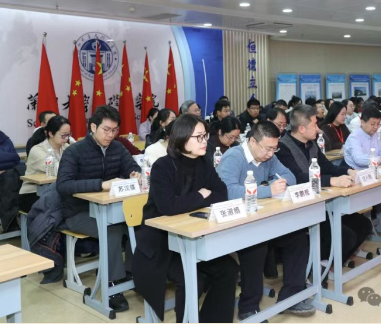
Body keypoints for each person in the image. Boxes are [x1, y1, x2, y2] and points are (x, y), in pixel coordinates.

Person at [133, 115, 237, 323]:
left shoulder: (204, 163)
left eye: (205, 136)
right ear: (181, 137)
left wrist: (191, 200)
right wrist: (200, 196)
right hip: (161, 245)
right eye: (198, 137)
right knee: (191, 278)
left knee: (229, 269)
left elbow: (221, 193)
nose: (204, 141)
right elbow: (168, 207)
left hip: (192, 237)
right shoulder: (163, 166)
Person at [216, 122, 314, 319]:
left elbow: (290, 177)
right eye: (268, 148)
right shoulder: (234, 157)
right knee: (256, 247)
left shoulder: (269, 156)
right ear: (253, 141)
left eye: (274, 148)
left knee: (298, 238)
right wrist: (267, 189)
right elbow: (227, 191)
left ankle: (291, 297)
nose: (271, 154)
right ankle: (248, 306)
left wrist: (267, 185)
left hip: (262, 218)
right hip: (235, 223)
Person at [56, 105, 140, 312]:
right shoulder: (74, 151)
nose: (110, 135)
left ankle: (132, 273)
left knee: (138, 225)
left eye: (115, 130)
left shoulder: (117, 148)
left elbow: (132, 167)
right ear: (93, 127)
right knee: (111, 230)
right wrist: (101, 185)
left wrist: (134, 174)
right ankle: (113, 285)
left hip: (112, 210)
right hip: (78, 212)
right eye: (106, 130)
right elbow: (63, 185)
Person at [277, 105, 370, 264]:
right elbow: (298, 178)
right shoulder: (283, 147)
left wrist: (348, 171)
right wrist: (332, 181)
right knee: (346, 237)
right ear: (301, 129)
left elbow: (327, 167)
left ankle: (330, 263)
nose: (318, 129)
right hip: (299, 206)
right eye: (314, 124)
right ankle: (316, 263)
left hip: (320, 201)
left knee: (364, 225)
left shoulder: (311, 143)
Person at [20, 116, 71, 212]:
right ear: (51, 133)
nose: (67, 138)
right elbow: (58, 169)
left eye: (69, 134)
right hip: (33, 193)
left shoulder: (66, 147)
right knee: (65, 208)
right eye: (63, 135)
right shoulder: (37, 150)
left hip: (56, 191)